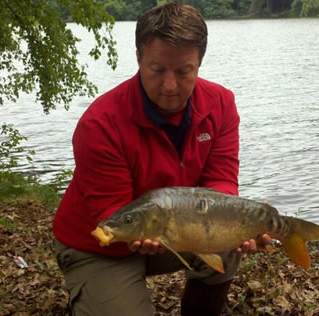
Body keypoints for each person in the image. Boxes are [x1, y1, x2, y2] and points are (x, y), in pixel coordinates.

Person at [52, 3, 270, 315]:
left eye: (184, 72)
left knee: (227, 243)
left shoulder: (220, 104)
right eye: (157, 70)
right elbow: (112, 214)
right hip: (96, 245)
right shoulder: (100, 124)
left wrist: (240, 221)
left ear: (199, 63)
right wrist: (139, 230)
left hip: (166, 230)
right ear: (139, 59)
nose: (170, 86)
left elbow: (220, 182)